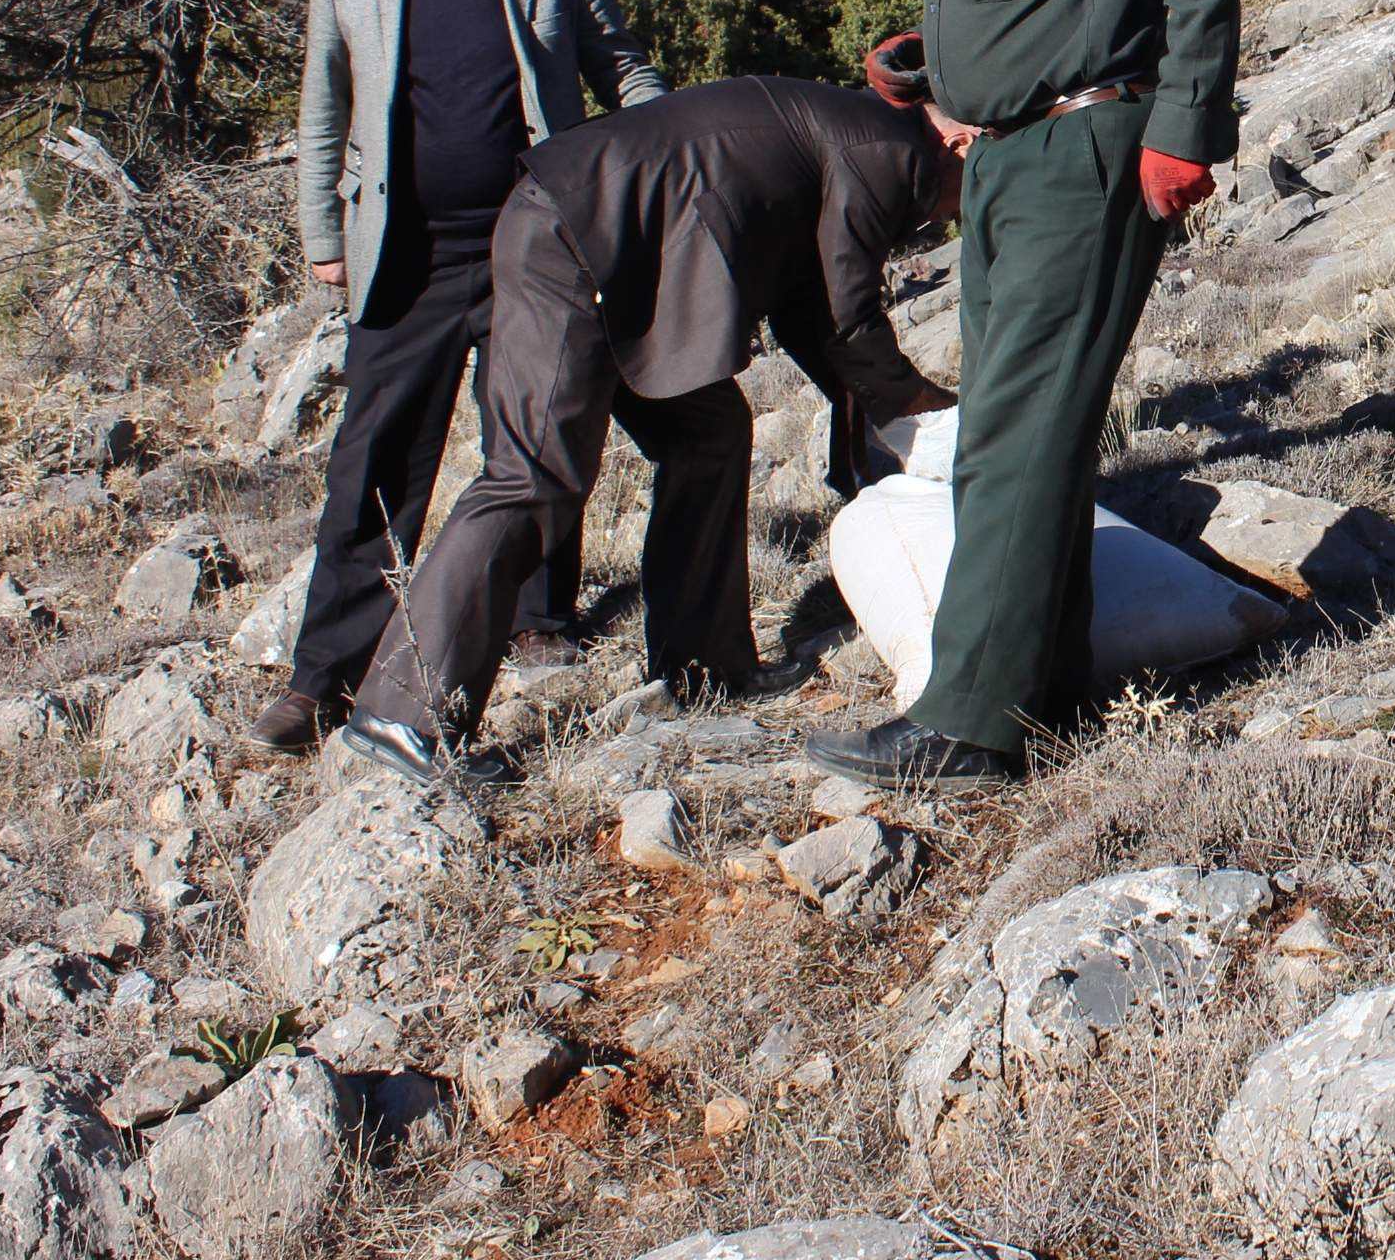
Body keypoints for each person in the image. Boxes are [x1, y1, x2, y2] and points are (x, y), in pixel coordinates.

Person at [804, 0, 1240, 792]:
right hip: (1001, 160)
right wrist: (935, 77)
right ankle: (1040, 685)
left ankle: (968, 727)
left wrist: (1184, 129)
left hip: (1084, 151)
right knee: (1013, 428)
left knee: (1010, 434)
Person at [340, 77, 962, 784]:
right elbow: (850, 315)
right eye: (963, 197)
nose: (946, 222)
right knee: (532, 478)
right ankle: (405, 715)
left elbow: (809, 307)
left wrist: (884, 416)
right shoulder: (892, 149)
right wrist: (923, 407)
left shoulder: (863, 132)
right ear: (959, 143)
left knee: (710, 431)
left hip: (624, 252)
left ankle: (704, 667)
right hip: (573, 238)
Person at [248, 0, 666, 756]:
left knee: (531, 442)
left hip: (534, 244)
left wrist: (661, 152)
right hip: (407, 251)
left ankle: (536, 621)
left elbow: (624, 69)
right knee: (374, 461)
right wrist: (321, 237)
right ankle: (327, 676)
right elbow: (321, 105)